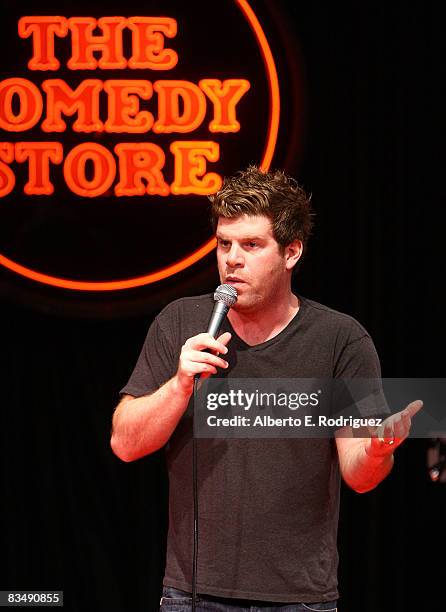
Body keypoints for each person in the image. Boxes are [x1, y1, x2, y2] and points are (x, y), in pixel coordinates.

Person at [111, 166, 421, 611]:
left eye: (251, 245)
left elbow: (359, 475)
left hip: (299, 599)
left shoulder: (339, 339)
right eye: (224, 244)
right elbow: (124, 443)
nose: (231, 259)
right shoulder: (180, 323)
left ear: (291, 252)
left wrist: (377, 449)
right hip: (192, 595)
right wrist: (179, 385)